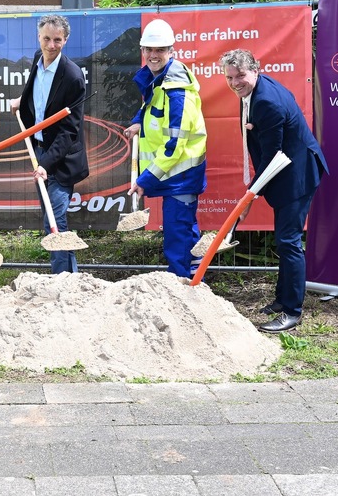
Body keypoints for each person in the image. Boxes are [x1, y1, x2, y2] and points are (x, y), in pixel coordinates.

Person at [222, 49, 327, 333]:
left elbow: (272, 159)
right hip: (286, 171)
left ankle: (292, 312)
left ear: (255, 70)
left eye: (240, 76)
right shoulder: (257, 90)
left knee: (288, 242)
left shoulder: (267, 102)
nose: (235, 83)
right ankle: (282, 301)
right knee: (284, 241)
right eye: (230, 77)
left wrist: (249, 198)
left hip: (296, 175)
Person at [122, 19, 207, 278]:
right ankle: (195, 280)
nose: (153, 55)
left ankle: (184, 288)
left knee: (178, 237)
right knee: (185, 231)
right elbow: (151, 108)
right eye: (149, 49)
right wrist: (138, 121)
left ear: (171, 51)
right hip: (174, 176)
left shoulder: (177, 92)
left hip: (180, 176)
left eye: (159, 50)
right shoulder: (160, 79)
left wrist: (145, 179)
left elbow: (174, 146)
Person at [13, 14, 89, 274]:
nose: (51, 45)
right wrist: (20, 101)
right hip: (40, 151)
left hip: (61, 160)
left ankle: (63, 280)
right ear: (39, 37)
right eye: (46, 38)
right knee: (52, 220)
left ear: (65, 40)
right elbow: (37, 95)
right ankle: (71, 278)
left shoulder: (73, 77)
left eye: (57, 40)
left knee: (55, 222)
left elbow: (70, 130)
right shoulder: (37, 58)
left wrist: (45, 164)